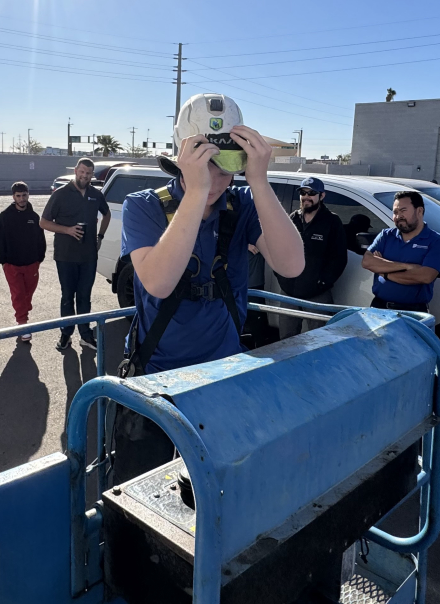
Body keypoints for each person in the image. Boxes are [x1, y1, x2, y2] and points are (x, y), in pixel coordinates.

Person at [112, 93, 304, 484]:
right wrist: (195, 194)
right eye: (204, 165)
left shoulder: (244, 204)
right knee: (138, 496)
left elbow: (292, 265)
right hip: (157, 382)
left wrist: (260, 182)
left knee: (216, 494)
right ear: (182, 159)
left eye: (226, 166)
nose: (216, 180)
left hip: (223, 379)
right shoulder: (144, 206)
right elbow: (159, 283)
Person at [40, 157, 109, 351]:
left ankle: (86, 336)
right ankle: (66, 335)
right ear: (76, 171)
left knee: (85, 297)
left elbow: (107, 214)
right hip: (66, 255)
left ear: (91, 175)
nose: (84, 176)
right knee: (68, 297)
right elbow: (44, 222)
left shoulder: (96, 195)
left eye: (88, 173)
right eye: (82, 172)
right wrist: (68, 230)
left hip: (88, 256)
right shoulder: (61, 194)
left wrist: (100, 237)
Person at [274, 176, 347, 339]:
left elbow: (339, 258)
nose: (306, 197)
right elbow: (278, 248)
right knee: (286, 339)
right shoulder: (293, 218)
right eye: (303, 193)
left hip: (317, 294)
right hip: (288, 291)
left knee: (319, 339)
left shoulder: (332, 221)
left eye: (312, 193)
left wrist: (322, 282)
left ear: (322, 196)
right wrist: (281, 277)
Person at [361, 190, 440, 313]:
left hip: (413, 312)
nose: (398, 216)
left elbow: (425, 276)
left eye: (403, 211)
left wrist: (383, 272)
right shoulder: (386, 236)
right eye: (395, 212)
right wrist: (406, 266)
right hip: (379, 308)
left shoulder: (437, 241)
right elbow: (367, 262)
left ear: (419, 211)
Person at [0, 182, 46, 342]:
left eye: (24, 195)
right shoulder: (5, 216)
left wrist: (39, 258)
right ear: (13, 197)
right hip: (12, 264)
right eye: (18, 196)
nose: (22, 199)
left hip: (32, 263)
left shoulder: (34, 217)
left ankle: (23, 311)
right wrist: (3, 260)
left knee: (27, 295)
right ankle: (22, 324)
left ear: (28, 195)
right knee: (18, 294)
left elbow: (40, 239)